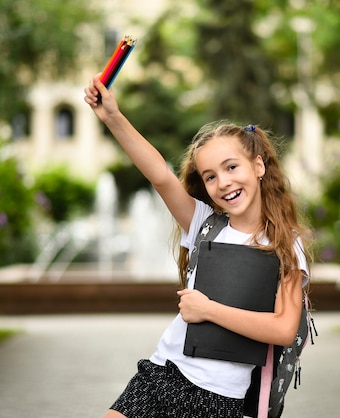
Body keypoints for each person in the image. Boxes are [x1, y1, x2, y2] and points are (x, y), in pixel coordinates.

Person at [84, 74, 313, 418]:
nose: (223, 183)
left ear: (259, 165)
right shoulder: (204, 224)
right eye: (210, 176)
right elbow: (160, 175)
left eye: (231, 167)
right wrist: (113, 117)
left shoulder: (284, 244)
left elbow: (283, 329)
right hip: (163, 373)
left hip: (219, 400)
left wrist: (209, 311)